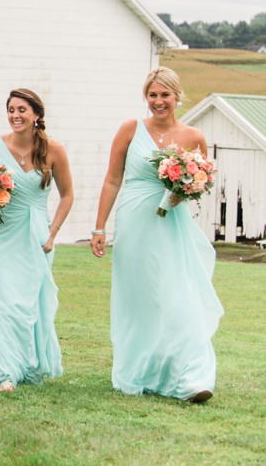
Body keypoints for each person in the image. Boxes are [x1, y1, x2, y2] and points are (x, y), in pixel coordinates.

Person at [90, 66, 224, 403]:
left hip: (171, 223)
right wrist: (99, 226)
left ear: (177, 96)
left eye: (165, 94)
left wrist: (185, 190)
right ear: (145, 97)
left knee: (178, 295)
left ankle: (191, 379)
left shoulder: (193, 137)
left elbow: (202, 182)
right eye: (153, 95)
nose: (158, 101)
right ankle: (140, 370)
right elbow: (112, 179)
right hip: (134, 221)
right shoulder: (129, 129)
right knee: (140, 299)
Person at [0, 88, 72, 392]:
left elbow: (68, 195)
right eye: (10, 110)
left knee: (30, 304)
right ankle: (7, 372)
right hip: (1, 232)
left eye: (21, 110)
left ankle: (30, 365)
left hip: (36, 234)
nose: (15, 116)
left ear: (36, 115)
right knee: (5, 304)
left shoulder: (54, 150)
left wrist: (53, 232)